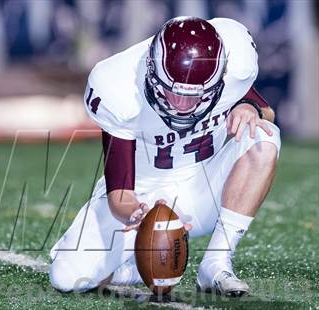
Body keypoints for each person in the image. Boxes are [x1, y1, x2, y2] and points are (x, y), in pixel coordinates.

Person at [49, 17, 280, 297]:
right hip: (142, 195)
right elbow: (120, 195)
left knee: (264, 137)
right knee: (67, 277)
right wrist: (139, 214)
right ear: (151, 70)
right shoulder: (120, 88)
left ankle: (217, 262)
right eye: (173, 92)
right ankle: (138, 265)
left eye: (194, 95)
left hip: (206, 188)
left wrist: (250, 108)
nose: (182, 106)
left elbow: (266, 113)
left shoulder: (236, 63)